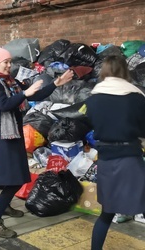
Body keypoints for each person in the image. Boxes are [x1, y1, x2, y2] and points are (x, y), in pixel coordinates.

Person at [0, 47, 73, 238]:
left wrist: (56, 83)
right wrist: (25, 93)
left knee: (18, 176)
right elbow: (5, 105)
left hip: (13, 134)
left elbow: (35, 95)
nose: (9, 65)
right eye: (5, 62)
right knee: (15, 178)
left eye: (9, 61)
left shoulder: (11, 83)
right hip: (4, 137)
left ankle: (4, 205)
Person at [84, 55, 145, 250]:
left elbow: (88, 123)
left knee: (107, 212)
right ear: (124, 71)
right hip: (130, 159)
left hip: (106, 161)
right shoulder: (136, 96)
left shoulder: (93, 99)